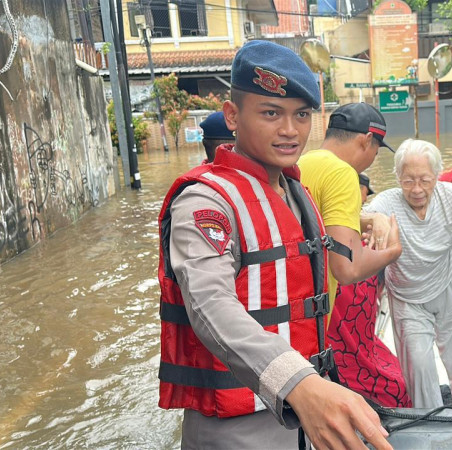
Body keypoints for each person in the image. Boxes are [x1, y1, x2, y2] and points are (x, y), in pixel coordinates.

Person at [156, 40, 391, 450]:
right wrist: (298, 382)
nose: (290, 130)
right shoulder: (205, 201)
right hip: (239, 426)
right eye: (270, 113)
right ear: (232, 115)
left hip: (304, 410)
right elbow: (211, 304)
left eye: (301, 115)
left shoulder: (294, 190)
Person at [364, 138, 452, 410]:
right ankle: (429, 422)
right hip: (408, 296)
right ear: (398, 177)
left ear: (437, 176)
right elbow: (353, 218)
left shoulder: (451, 194)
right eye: (408, 181)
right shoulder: (387, 202)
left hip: (448, 285)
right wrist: (373, 220)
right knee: (419, 366)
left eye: (425, 180)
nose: (417, 189)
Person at [298, 103, 402, 318]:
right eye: (376, 150)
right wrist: (392, 252)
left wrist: (366, 219)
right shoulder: (343, 174)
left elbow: (317, 219)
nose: (373, 159)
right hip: (311, 314)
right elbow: (347, 269)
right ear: (366, 140)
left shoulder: (302, 162)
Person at [326, 174, 412, 408]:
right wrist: (393, 250)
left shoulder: (366, 241)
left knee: (403, 382)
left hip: (363, 343)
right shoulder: (336, 254)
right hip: (343, 351)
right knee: (396, 388)